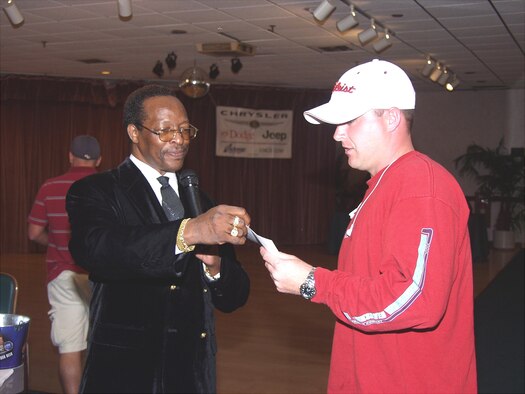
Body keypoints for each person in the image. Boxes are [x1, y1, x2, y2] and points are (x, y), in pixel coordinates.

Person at [260, 59, 477, 393]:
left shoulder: (420, 186)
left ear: (390, 117)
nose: (337, 133)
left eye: (349, 121)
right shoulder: (385, 184)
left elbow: (414, 299)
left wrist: (311, 282)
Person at [65, 84, 251, 393]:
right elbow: (97, 250)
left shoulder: (200, 198)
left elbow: (236, 296)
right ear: (134, 132)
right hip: (126, 371)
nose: (178, 140)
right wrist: (188, 232)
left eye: (184, 130)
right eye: (165, 131)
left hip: (191, 372)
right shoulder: (97, 190)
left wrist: (216, 268)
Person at [28, 135, 102, 394]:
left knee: (70, 347)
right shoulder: (108, 187)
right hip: (103, 276)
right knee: (104, 341)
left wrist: (58, 243)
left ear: (70, 156)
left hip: (63, 274)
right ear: (99, 160)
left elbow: (34, 233)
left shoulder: (50, 187)